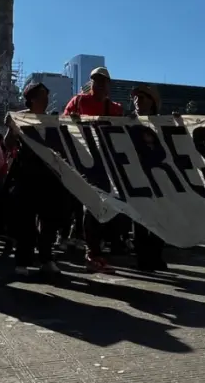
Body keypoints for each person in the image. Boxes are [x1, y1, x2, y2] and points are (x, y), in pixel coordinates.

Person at [62, 67, 125, 273]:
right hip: (81, 163)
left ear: (108, 84)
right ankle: (92, 252)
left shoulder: (115, 108)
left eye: (103, 81)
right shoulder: (78, 102)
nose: (99, 84)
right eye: (95, 80)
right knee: (89, 206)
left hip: (106, 166)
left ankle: (94, 248)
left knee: (103, 208)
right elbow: (63, 125)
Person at [8, 82, 66, 276]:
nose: (46, 98)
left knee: (49, 220)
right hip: (27, 174)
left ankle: (46, 258)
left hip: (49, 176)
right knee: (26, 221)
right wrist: (11, 127)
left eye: (47, 95)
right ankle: (23, 260)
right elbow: (9, 143)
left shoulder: (52, 121)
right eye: (42, 95)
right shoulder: (21, 117)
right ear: (31, 98)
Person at [130, 84, 169, 272]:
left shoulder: (162, 123)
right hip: (136, 178)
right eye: (136, 98)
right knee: (140, 219)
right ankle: (142, 257)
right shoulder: (126, 122)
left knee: (160, 217)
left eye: (143, 97)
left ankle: (156, 255)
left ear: (152, 102)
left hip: (159, 178)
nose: (138, 101)